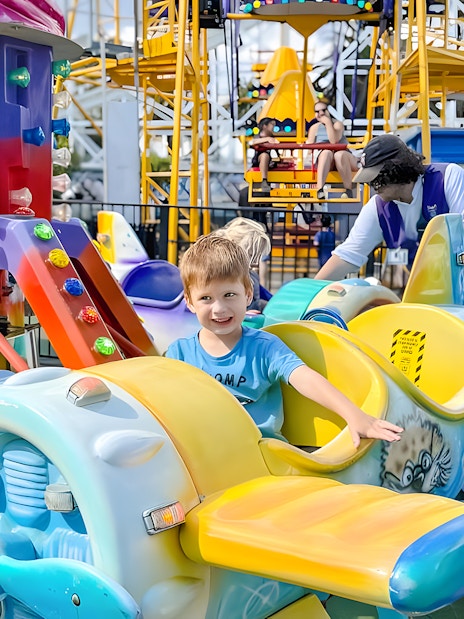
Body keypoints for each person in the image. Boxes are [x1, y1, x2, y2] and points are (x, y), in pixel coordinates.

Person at [166, 234, 403, 447]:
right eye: (206, 298)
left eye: (229, 295)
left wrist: (354, 415)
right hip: (205, 455)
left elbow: (305, 379)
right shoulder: (180, 354)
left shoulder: (264, 348)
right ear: (189, 302)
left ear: (248, 294)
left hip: (261, 455)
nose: (219, 308)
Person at [315, 133, 464, 281]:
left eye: (376, 178)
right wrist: (310, 293)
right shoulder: (377, 208)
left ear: (396, 168)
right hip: (427, 288)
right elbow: (347, 255)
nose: (373, 185)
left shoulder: (446, 177)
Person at [213, 217, 271, 311]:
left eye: (258, 256)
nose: (256, 262)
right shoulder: (227, 277)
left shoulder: (251, 275)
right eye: (251, 255)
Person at [306, 100, 359, 200]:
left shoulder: (337, 124)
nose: (321, 114)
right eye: (317, 111)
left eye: (323, 110)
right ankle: (320, 189)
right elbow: (309, 150)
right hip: (326, 160)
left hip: (342, 158)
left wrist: (328, 123)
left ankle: (348, 189)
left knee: (338, 155)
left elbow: (334, 141)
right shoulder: (314, 128)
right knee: (326, 152)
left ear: (328, 111)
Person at [250, 117, 279, 193]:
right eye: (272, 124)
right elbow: (252, 142)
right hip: (259, 160)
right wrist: (267, 139)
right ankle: (264, 180)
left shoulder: (273, 138)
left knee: (266, 156)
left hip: (272, 161)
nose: (274, 127)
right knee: (264, 156)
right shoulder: (258, 136)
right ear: (264, 126)